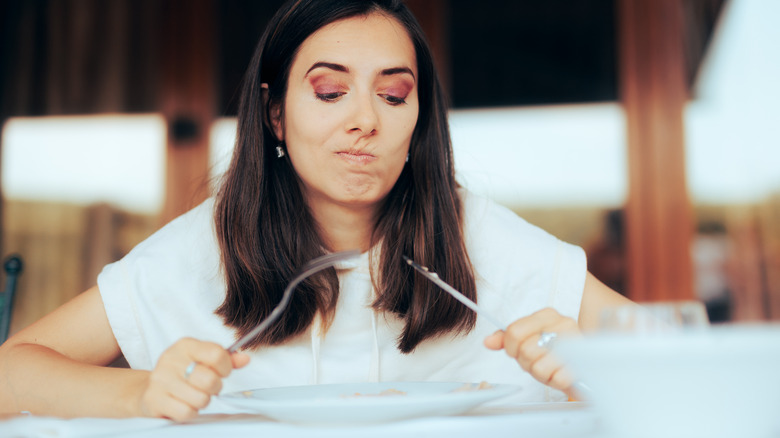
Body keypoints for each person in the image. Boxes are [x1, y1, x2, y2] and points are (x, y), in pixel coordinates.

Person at [0, 0, 632, 421]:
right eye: (331, 91)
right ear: (275, 113)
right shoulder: (202, 246)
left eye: (393, 94)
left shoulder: (477, 234)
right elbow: (8, 375)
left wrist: (599, 368)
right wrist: (139, 391)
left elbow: (685, 361)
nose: (365, 120)